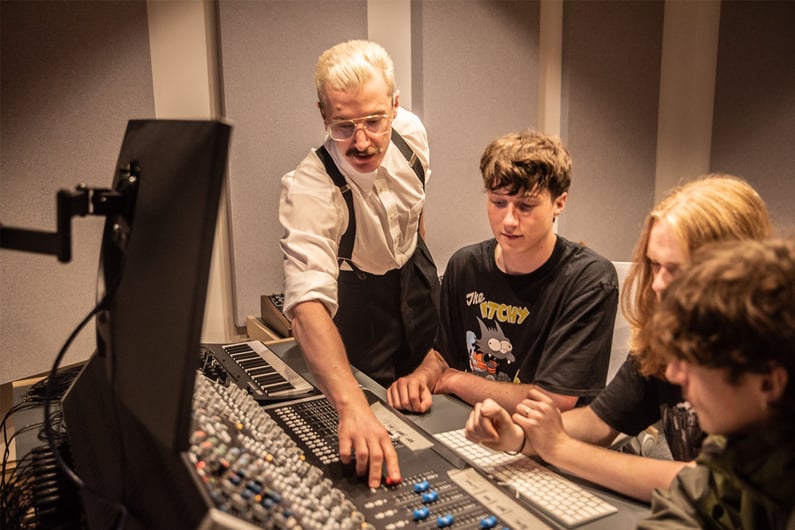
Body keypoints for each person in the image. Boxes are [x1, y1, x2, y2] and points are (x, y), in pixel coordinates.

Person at [464, 174, 774, 502]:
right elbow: (600, 420)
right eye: (655, 267)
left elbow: (712, 483)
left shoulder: (767, 362)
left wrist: (560, 449)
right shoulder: (666, 336)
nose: (657, 284)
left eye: (677, 271)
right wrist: (522, 438)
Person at [278, 40, 439, 487]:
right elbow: (306, 306)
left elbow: (417, 208)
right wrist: (352, 407)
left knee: (433, 401)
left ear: (395, 105)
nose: (362, 141)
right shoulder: (309, 187)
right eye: (344, 126)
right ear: (322, 114)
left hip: (417, 274)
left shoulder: (412, 133)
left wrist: (417, 268)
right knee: (375, 416)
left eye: (374, 120)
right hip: (361, 303)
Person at [386, 129, 619, 416]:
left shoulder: (589, 280)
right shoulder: (464, 266)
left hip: (545, 442)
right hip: (472, 424)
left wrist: (458, 381)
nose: (508, 221)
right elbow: (442, 355)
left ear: (559, 202)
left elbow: (555, 399)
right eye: (498, 203)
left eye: (526, 206)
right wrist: (421, 378)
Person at [638, 238, 795, 529]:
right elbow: (685, 505)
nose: (672, 374)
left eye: (692, 360)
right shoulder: (738, 441)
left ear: (769, 384)